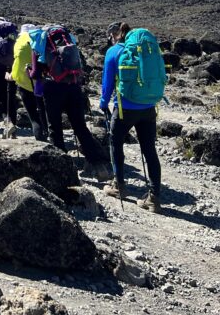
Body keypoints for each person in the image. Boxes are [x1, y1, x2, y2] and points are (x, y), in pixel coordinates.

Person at [32, 24, 112, 181]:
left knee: (55, 128)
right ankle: (99, 166)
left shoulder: (40, 42)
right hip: (73, 87)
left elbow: (35, 72)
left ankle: (62, 172)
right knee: (80, 127)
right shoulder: (69, 41)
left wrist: (31, 72)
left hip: (53, 88)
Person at [100, 22, 165, 212]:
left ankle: (118, 186)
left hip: (124, 108)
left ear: (115, 35)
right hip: (149, 107)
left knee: (116, 143)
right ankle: (154, 198)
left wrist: (104, 103)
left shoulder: (114, 52)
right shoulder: (146, 50)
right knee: (149, 151)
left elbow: (107, 83)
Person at [11, 24, 48, 141]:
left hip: (24, 82)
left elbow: (16, 61)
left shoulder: (19, 41)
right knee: (42, 109)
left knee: (32, 113)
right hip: (42, 82)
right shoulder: (41, 40)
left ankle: (39, 137)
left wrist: (13, 76)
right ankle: (47, 133)